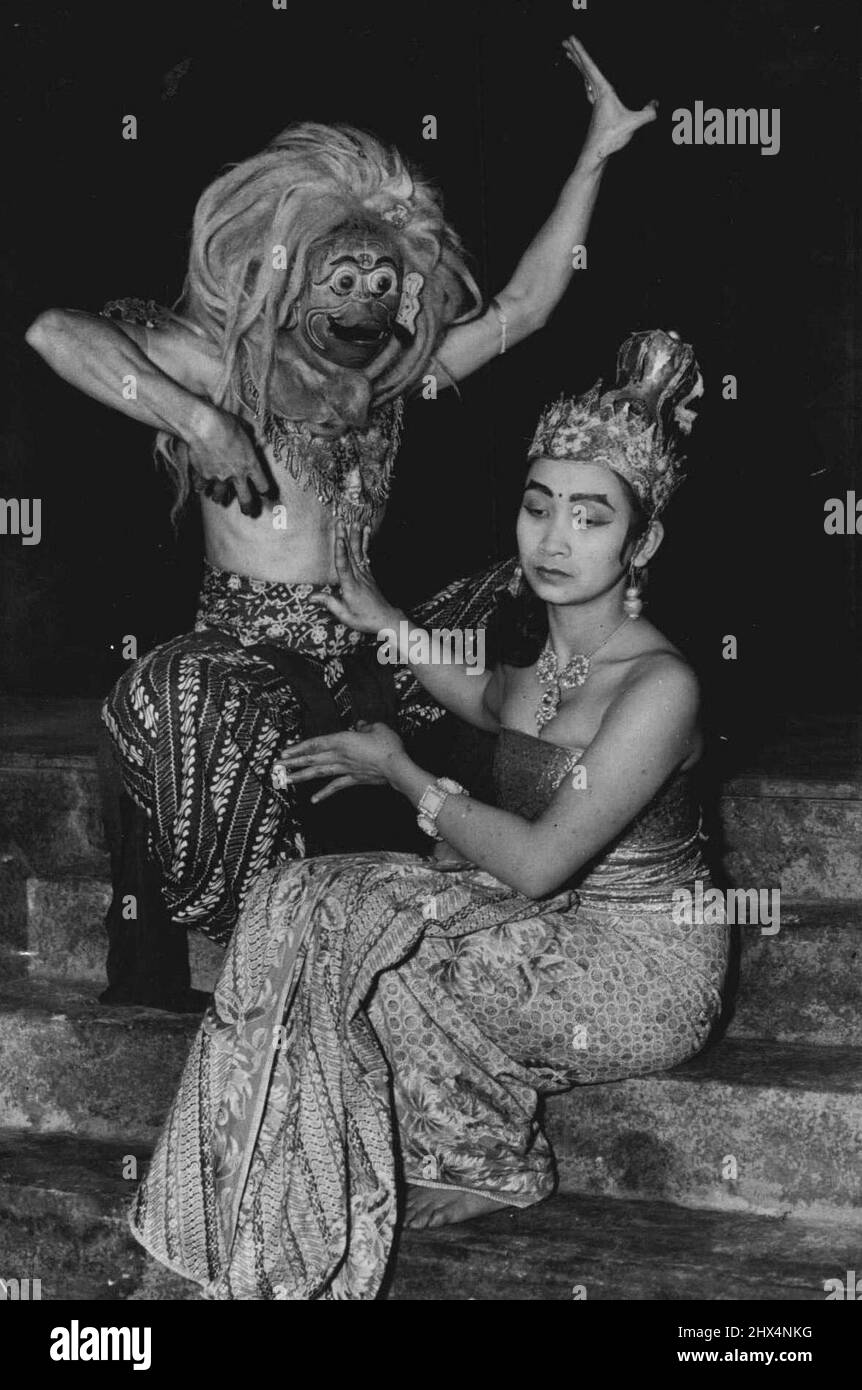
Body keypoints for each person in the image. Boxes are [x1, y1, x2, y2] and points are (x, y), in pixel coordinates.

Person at [24, 39, 657, 1010]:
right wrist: (198, 419)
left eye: (382, 281)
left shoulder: (396, 378)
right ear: (292, 273)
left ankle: (519, 851)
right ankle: (192, 933)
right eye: (343, 277)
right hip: (249, 652)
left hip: (370, 643)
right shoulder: (223, 361)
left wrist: (595, 153)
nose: (366, 299)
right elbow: (56, 333)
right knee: (171, 693)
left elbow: (527, 305)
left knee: (533, 584)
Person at [128, 328, 730, 1300]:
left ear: (642, 541)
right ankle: (263, 1211)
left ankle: (293, 1254)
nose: (553, 538)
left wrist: (400, 773)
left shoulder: (660, 684)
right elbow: (496, 701)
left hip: (635, 969)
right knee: (301, 903)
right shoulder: (553, 654)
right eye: (538, 508)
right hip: (538, 928)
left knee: (358, 924)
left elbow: (535, 864)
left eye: (590, 516)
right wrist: (387, 623)